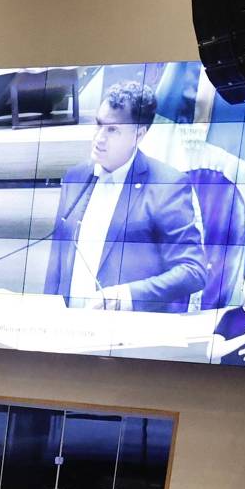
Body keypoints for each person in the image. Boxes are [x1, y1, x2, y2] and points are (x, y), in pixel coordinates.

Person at [41, 78, 205, 313]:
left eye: (112, 130)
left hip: (128, 329)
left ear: (138, 134)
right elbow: (57, 260)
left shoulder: (167, 185)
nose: (99, 138)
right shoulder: (76, 177)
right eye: (99, 124)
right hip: (70, 325)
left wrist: (126, 296)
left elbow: (193, 270)